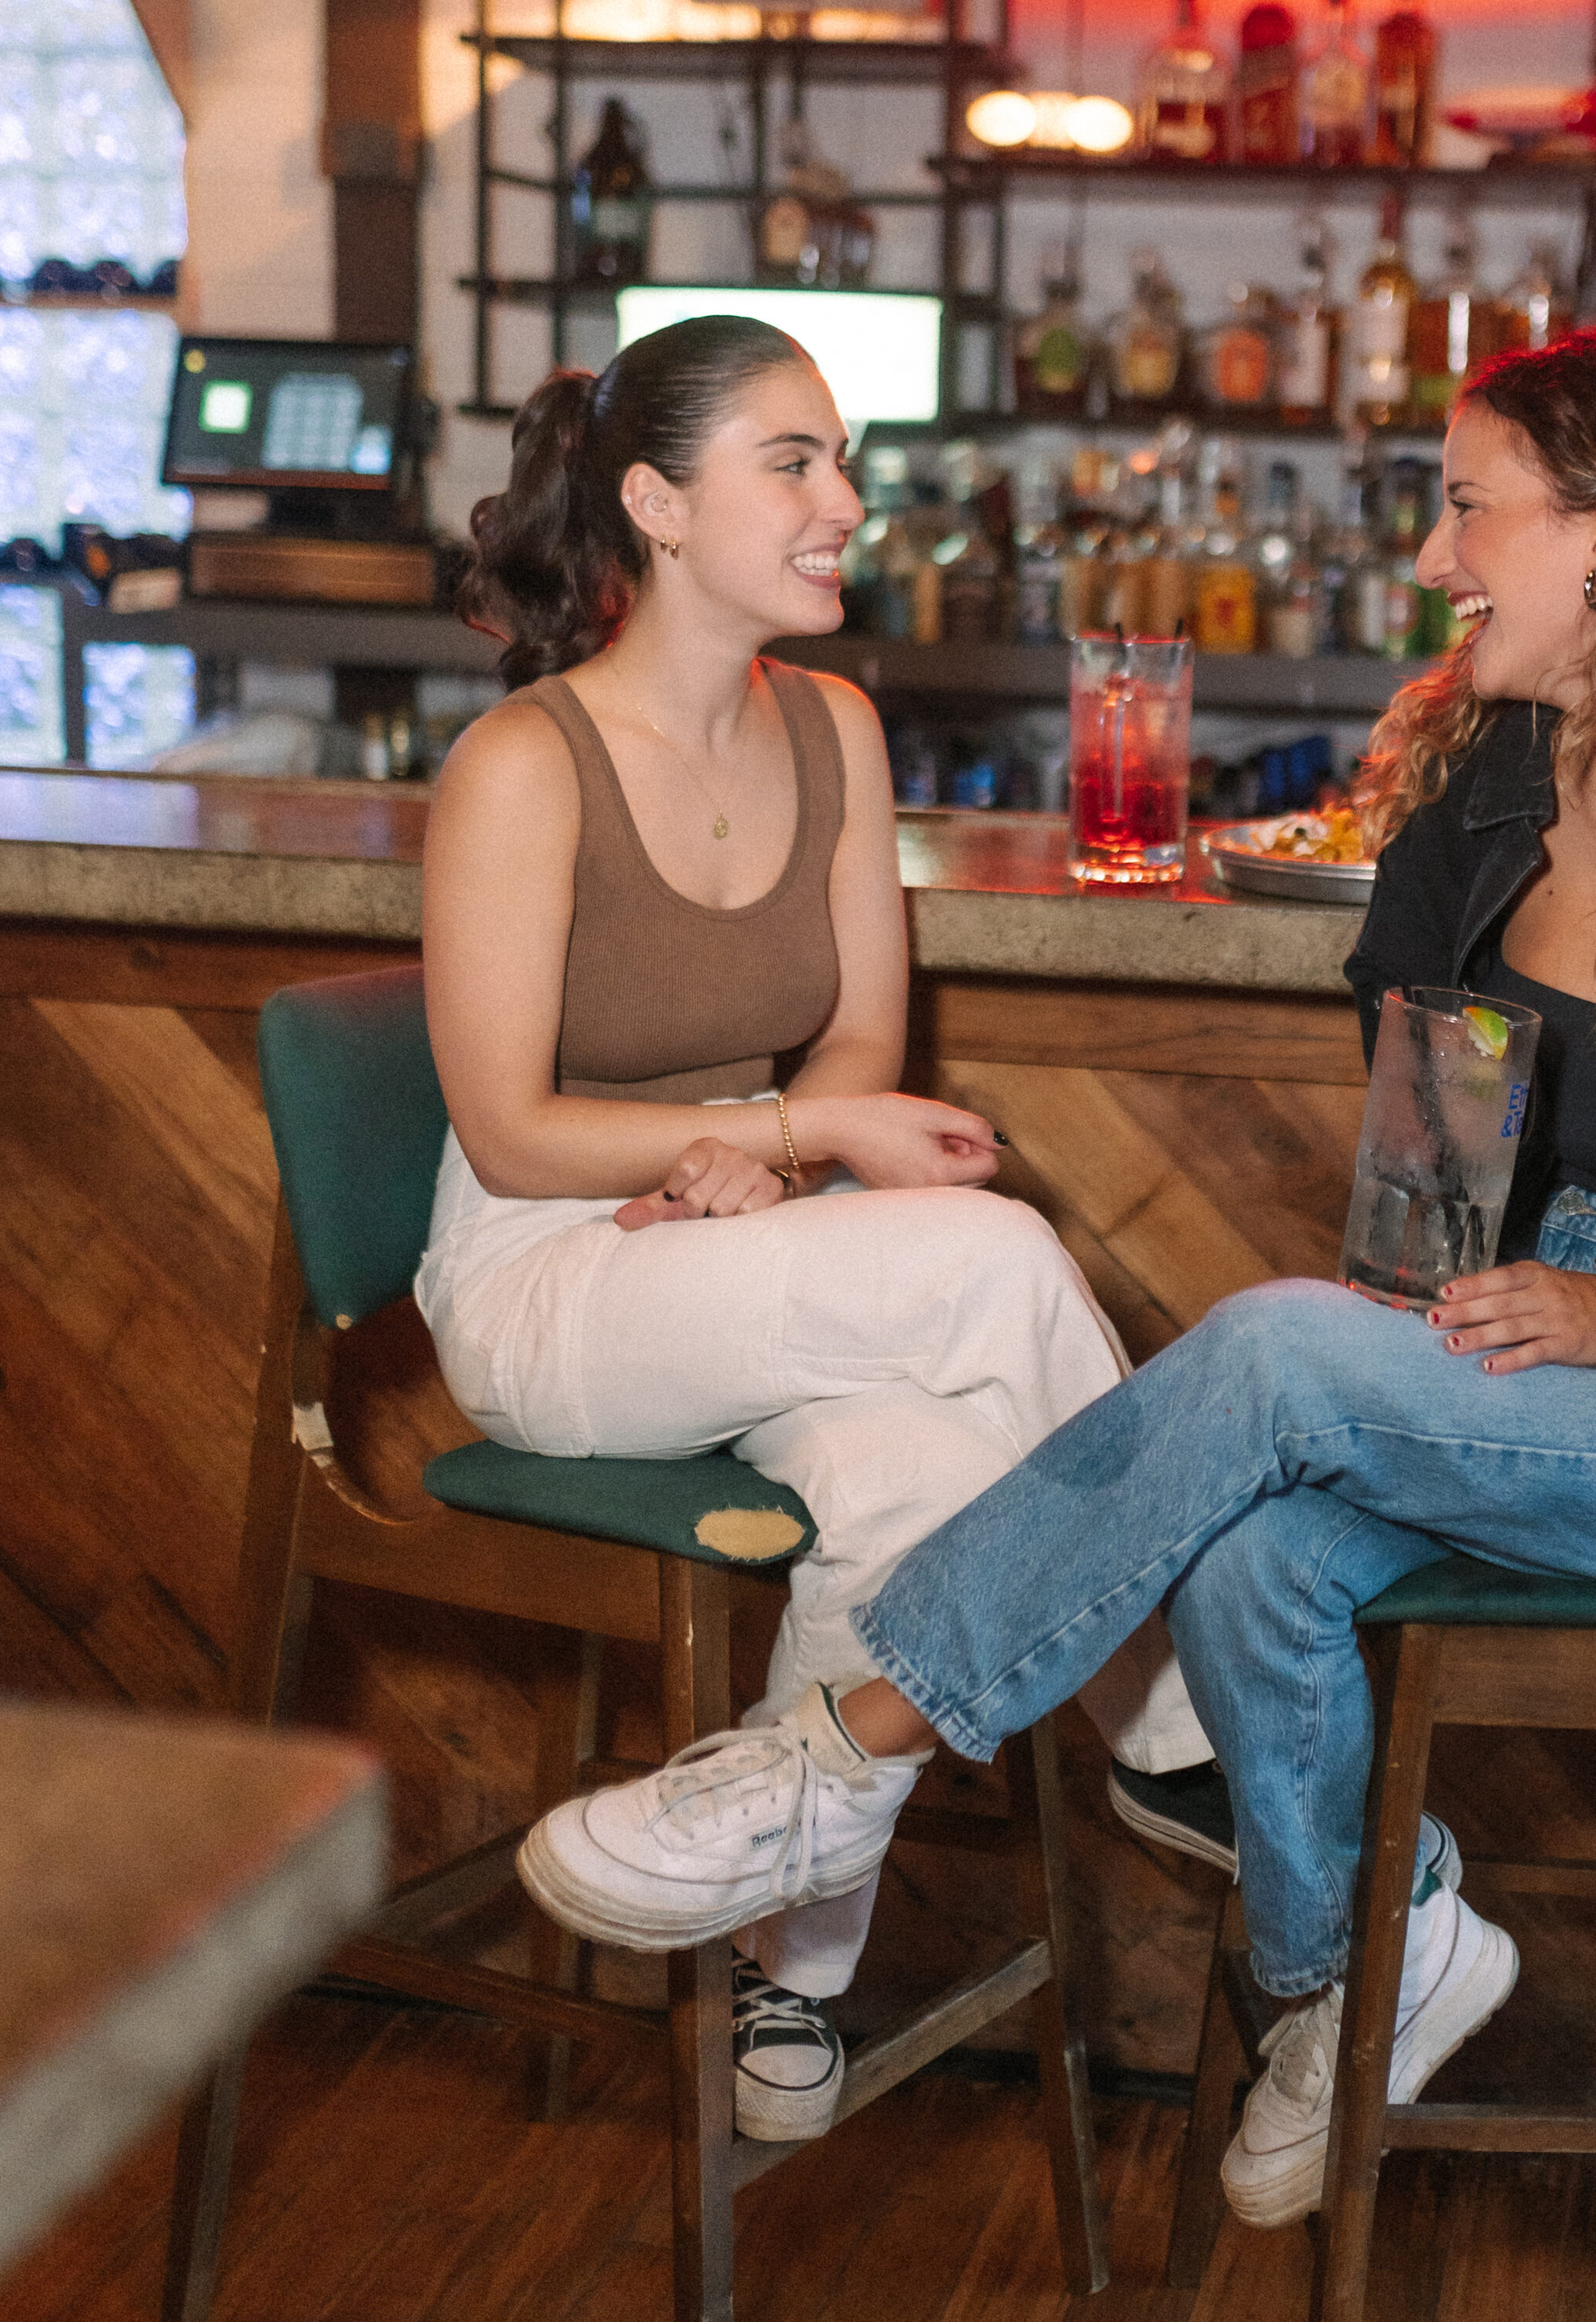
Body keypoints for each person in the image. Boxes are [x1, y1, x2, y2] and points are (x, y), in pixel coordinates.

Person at [519, 323, 1596, 2222]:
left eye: (1465, 507)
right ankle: (1363, 1970)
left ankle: (843, 1747)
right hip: (1514, 1345)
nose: (1430, 560)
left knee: (1263, 1362)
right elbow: (1437, 1151)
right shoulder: (1491, 785)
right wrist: (1421, 1308)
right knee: (1250, 1541)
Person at [423, 316, 1208, 2144]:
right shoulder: (525, 766)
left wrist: (770, 1153)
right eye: (793, 462)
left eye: (838, 458)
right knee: (996, 1253)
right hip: (550, 1273)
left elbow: (859, 1050)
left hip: (748, 1247)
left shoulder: (835, 728)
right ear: (655, 503)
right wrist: (776, 1129)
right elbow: (509, 1126)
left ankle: (789, 1957)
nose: (844, 502)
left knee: (921, 1472)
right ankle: (1194, 1740)